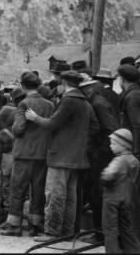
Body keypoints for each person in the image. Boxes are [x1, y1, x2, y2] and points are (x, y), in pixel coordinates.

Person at [25, 70, 99, 241]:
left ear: (64, 83)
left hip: (60, 157)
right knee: (70, 197)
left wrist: (35, 118)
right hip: (77, 158)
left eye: (59, 83)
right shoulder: (85, 102)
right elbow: (95, 127)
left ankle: (52, 233)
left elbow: (52, 124)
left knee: (55, 195)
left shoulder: (68, 100)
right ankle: (67, 232)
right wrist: (78, 141)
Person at [1, 72, 54, 237]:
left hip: (24, 153)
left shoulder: (24, 103)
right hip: (42, 154)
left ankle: (14, 225)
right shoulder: (50, 105)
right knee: (38, 190)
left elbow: (17, 129)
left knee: (18, 189)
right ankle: (34, 226)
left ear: (23, 87)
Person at [79, 79, 119, 244]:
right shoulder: (98, 101)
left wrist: (99, 151)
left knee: (98, 194)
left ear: (87, 89)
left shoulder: (98, 104)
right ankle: (99, 233)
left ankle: (100, 234)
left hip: (102, 156)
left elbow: (110, 129)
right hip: (102, 154)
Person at [101, 129, 140, 253]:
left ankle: (112, 251)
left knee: (110, 228)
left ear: (122, 146)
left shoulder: (118, 161)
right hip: (127, 198)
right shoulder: (134, 160)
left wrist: (103, 179)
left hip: (112, 199)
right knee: (127, 227)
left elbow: (108, 176)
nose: (110, 146)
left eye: (113, 143)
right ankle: (134, 250)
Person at [0, 105, 16, 228]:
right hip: (20, 164)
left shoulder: (2, 134)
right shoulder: (20, 130)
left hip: (7, 165)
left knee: (7, 191)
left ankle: (9, 220)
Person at [117, 64, 140, 159]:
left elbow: (136, 124)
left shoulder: (132, 96)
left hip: (133, 147)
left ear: (122, 79)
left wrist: (136, 150)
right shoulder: (133, 93)